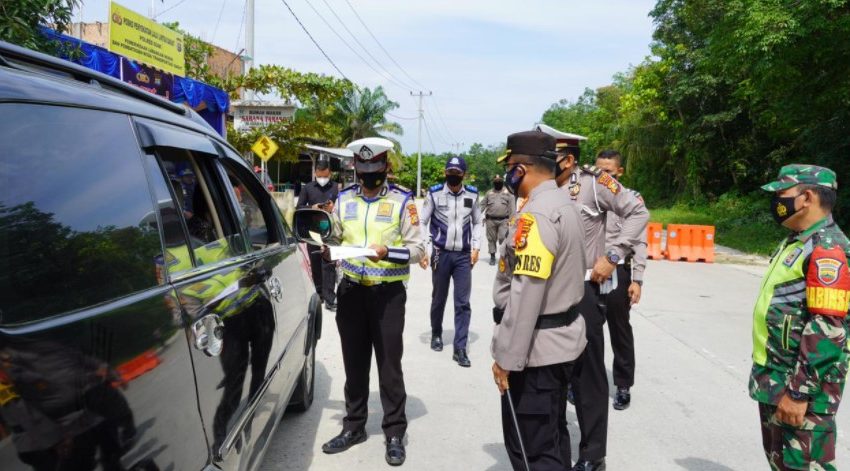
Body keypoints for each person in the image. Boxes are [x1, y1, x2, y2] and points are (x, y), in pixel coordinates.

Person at [537, 123, 649, 471]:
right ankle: (553, 446)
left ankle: (591, 454)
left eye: (548, 156)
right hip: (542, 292)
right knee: (550, 374)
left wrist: (613, 256)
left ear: (567, 159)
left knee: (587, 376)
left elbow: (638, 213)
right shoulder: (535, 190)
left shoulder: (593, 184)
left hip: (583, 290)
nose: (542, 162)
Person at [320, 137, 426, 467]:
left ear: (386, 168)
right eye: (362, 170)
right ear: (355, 169)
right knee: (354, 363)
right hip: (351, 291)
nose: (368, 177)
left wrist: (387, 253)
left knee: (389, 366)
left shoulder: (402, 201)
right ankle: (354, 427)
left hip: (387, 295)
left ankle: (394, 432)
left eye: (374, 170)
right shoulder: (343, 199)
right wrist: (324, 236)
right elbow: (334, 235)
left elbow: (419, 249)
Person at [491, 130, 587, 470]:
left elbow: (527, 293)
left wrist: (507, 358)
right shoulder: (565, 204)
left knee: (532, 452)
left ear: (520, 168)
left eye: (510, 168)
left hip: (534, 354)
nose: (508, 176)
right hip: (560, 345)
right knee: (553, 439)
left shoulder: (537, 216)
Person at [750, 164, 849, 471]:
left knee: (804, 466)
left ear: (806, 197)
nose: (777, 201)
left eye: (782, 194)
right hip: (777, 379)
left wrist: (798, 392)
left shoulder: (827, 250)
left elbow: (827, 329)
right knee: (782, 464)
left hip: (800, 387)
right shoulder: (799, 240)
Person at [595, 150, 648, 411]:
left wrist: (637, 279)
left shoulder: (630, 200)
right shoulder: (586, 194)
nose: (604, 176)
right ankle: (578, 381)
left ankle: (623, 385)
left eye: (610, 172)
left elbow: (639, 240)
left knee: (620, 330)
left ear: (620, 173)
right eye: (600, 171)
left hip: (617, 270)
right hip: (589, 272)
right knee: (584, 329)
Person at [419, 156, 483, 367]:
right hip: (440, 253)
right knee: (439, 298)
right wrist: (426, 248)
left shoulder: (472, 194)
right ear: (445, 172)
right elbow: (423, 221)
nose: (453, 176)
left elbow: (477, 222)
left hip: (463, 256)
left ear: (463, 174)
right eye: (450, 172)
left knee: (463, 303)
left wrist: (476, 247)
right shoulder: (435, 193)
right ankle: (436, 333)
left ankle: (460, 348)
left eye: (457, 173)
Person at [297, 156, 340, 310]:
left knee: (329, 263)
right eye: (319, 176)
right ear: (315, 173)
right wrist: (312, 208)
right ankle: (319, 294)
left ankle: (330, 298)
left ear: (330, 174)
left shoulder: (336, 188)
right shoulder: (307, 188)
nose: (322, 179)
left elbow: (344, 207)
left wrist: (333, 207)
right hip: (313, 231)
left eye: (325, 176)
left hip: (331, 231)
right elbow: (299, 207)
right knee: (315, 263)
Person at [482, 174, 515, 266]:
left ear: (502, 181)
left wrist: (512, 221)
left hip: (503, 220)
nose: (497, 182)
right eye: (496, 181)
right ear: (493, 182)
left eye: (499, 181)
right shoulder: (489, 193)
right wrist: (474, 215)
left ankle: (503, 256)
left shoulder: (508, 193)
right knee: (491, 239)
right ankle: (492, 256)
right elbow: (482, 205)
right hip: (490, 220)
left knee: (503, 238)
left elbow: (512, 208)